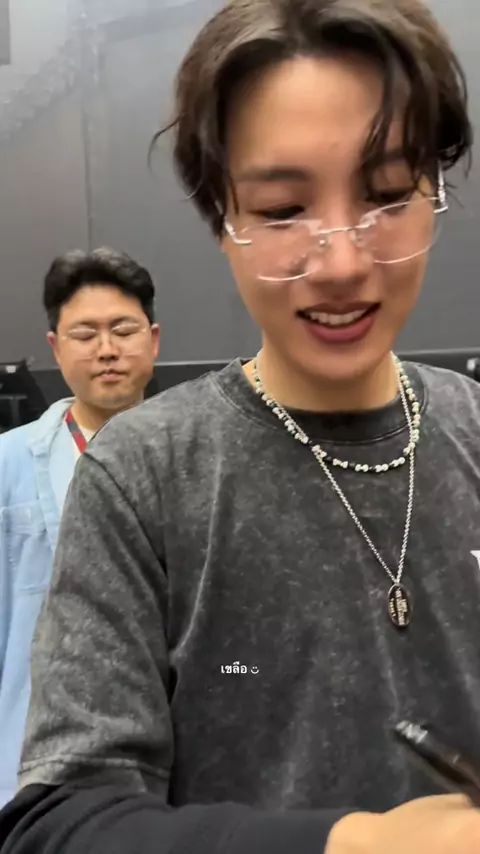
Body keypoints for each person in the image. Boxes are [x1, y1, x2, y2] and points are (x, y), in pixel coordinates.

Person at [2, 0, 480, 851]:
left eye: (386, 196)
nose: (341, 263)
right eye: (283, 209)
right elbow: (61, 823)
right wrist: (360, 844)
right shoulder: (143, 477)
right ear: (221, 218)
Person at [0, 247, 159, 807]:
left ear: (154, 340)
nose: (106, 349)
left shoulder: (205, 461)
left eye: (123, 330)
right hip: (32, 761)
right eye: (85, 334)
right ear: (55, 347)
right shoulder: (8, 465)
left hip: (169, 761)